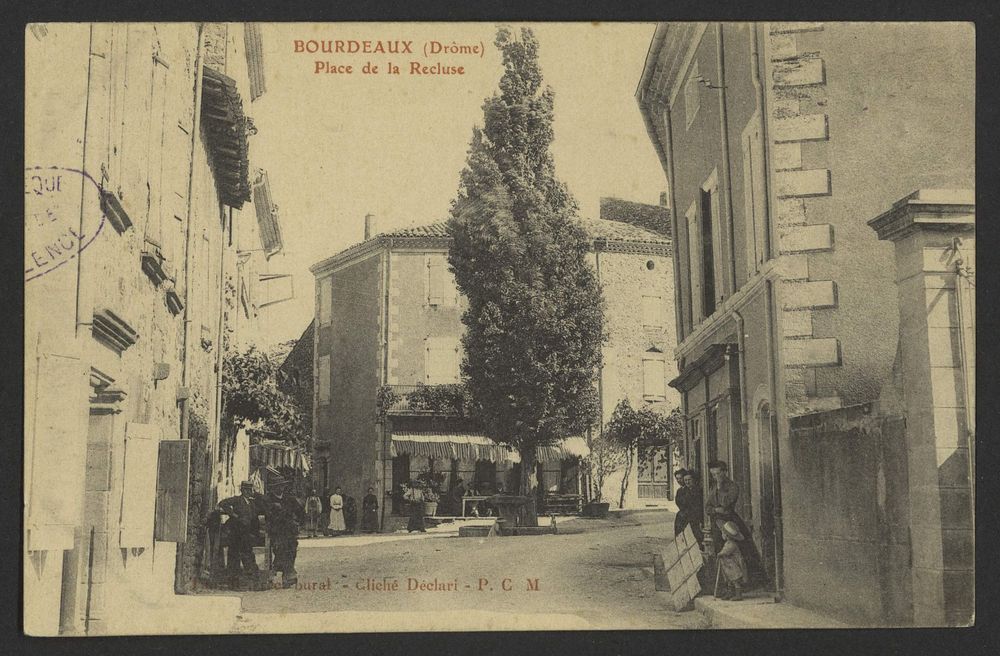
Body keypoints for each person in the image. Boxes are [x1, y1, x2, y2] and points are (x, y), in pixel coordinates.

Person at [706, 460, 765, 586]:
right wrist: (716, 509)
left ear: (725, 472)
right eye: (713, 475)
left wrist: (720, 487)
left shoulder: (732, 486)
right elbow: (707, 508)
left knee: (739, 552)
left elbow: (725, 503)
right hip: (717, 524)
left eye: (718, 474)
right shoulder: (712, 488)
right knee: (720, 553)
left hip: (730, 523)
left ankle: (745, 584)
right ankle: (726, 585)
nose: (716, 477)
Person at [217, 481, 263, 588]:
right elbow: (223, 503)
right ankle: (233, 582)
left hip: (246, 534)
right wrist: (233, 515)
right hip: (236, 533)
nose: (252, 492)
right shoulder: (237, 500)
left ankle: (252, 580)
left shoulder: (252, 503)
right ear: (245, 491)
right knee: (234, 556)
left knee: (248, 554)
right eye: (250, 490)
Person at [264, 478, 305, 588]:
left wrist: (298, 522)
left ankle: (281, 571)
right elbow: (268, 515)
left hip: (289, 530)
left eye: (282, 486)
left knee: (292, 546)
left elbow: (300, 511)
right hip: (276, 530)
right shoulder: (269, 499)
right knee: (281, 547)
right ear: (273, 488)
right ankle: (288, 574)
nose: (280, 488)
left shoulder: (289, 499)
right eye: (277, 486)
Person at [716, 521, 749, 600]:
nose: (722, 535)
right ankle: (730, 592)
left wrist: (720, 554)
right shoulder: (727, 543)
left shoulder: (731, 544)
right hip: (729, 566)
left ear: (727, 535)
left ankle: (738, 595)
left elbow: (726, 552)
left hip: (734, 565)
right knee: (729, 580)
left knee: (735, 580)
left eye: (723, 533)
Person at [674, 469, 704, 547]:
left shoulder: (698, 491)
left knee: (695, 538)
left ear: (694, 480)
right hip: (682, 517)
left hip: (694, 518)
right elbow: (679, 503)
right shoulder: (683, 491)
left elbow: (698, 506)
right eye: (685, 480)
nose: (687, 482)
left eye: (689, 480)